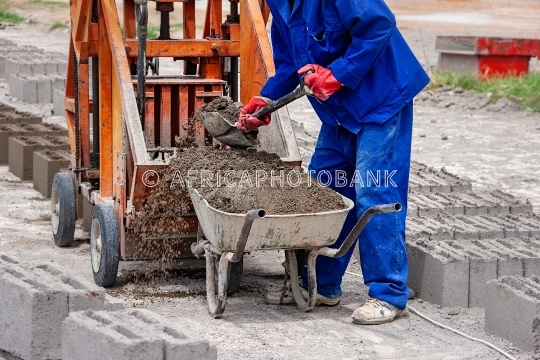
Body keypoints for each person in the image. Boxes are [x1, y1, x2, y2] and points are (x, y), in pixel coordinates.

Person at [237, 0, 430, 325]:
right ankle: (322, 285)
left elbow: (380, 23)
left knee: (375, 192)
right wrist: (267, 99)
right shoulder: (280, 6)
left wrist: (337, 74)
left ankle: (389, 294)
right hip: (339, 111)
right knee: (326, 191)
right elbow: (289, 65)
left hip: (379, 99)